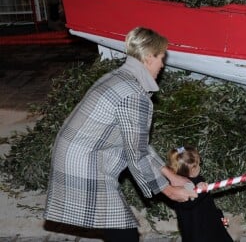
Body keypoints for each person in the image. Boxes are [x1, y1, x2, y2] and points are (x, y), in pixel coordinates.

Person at [43, 27, 198, 242]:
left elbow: (137, 143)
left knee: (119, 229)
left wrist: (171, 176)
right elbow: (137, 153)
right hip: (85, 163)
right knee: (123, 232)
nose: (163, 65)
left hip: (78, 153)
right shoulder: (134, 95)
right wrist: (169, 191)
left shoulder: (120, 77)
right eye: (161, 58)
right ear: (148, 57)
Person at [167, 145, 234, 242]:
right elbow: (187, 203)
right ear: (192, 168)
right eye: (198, 164)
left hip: (212, 225)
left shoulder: (200, 179)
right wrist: (197, 191)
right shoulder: (179, 187)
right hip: (197, 231)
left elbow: (208, 203)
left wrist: (220, 216)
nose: (200, 166)